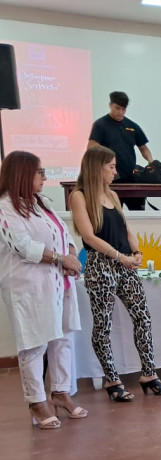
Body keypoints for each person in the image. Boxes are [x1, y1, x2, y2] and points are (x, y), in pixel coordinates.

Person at [69, 145, 161, 402]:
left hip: (125, 265)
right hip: (101, 266)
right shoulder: (79, 196)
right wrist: (119, 257)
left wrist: (136, 252)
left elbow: (126, 228)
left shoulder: (112, 195)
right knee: (103, 326)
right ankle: (112, 379)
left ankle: (149, 373)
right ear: (97, 168)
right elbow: (89, 236)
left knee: (143, 318)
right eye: (111, 167)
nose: (116, 171)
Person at [0, 151, 86, 429]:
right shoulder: (5, 208)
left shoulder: (41, 203)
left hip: (59, 281)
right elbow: (22, 246)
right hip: (28, 285)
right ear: (22, 174)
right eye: (40, 172)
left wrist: (70, 254)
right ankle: (37, 401)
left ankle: (60, 392)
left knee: (62, 338)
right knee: (34, 343)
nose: (44, 177)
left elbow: (65, 233)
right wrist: (62, 259)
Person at [88, 91, 153, 211]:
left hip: (130, 179)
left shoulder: (132, 126)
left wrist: (151, 163)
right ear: (110, 105)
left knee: (139, 213)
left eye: (123, 109)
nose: (121, 112)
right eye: (117, 108)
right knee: (113, 214)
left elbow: (144, 148)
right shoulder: (100, 125)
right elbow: (91, 150)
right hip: (110, 180)